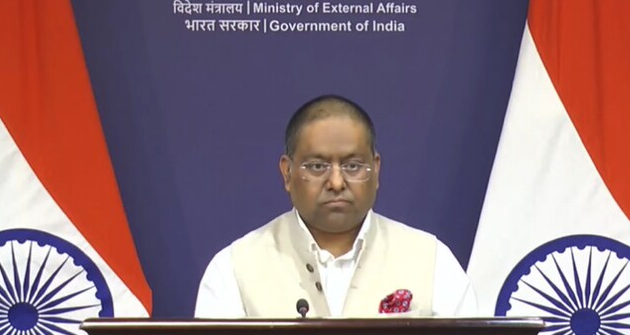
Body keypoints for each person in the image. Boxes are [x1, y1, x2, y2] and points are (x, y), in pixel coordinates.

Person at [194, 94, 476, 318]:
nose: (337, 182)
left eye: (353, 166)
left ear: (376, 169)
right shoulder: (234, 269)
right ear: (287, 173)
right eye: (317, 167)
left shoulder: (431, 261)